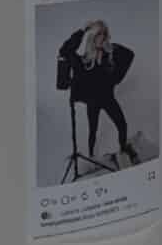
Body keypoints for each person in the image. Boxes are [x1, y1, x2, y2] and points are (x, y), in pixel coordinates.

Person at [56, 19, 135, 165]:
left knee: (122, 124)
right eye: (99, 34)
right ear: (93, 37)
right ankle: (92, 157)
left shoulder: (109, 57)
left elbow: (129, 54)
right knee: (93, 131)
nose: (103, 37)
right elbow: (65, 51)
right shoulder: (84, 61)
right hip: (92, 102)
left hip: (108, 99)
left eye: (105, 34)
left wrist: (113, 48)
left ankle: (123, 150)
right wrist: (82, 30)